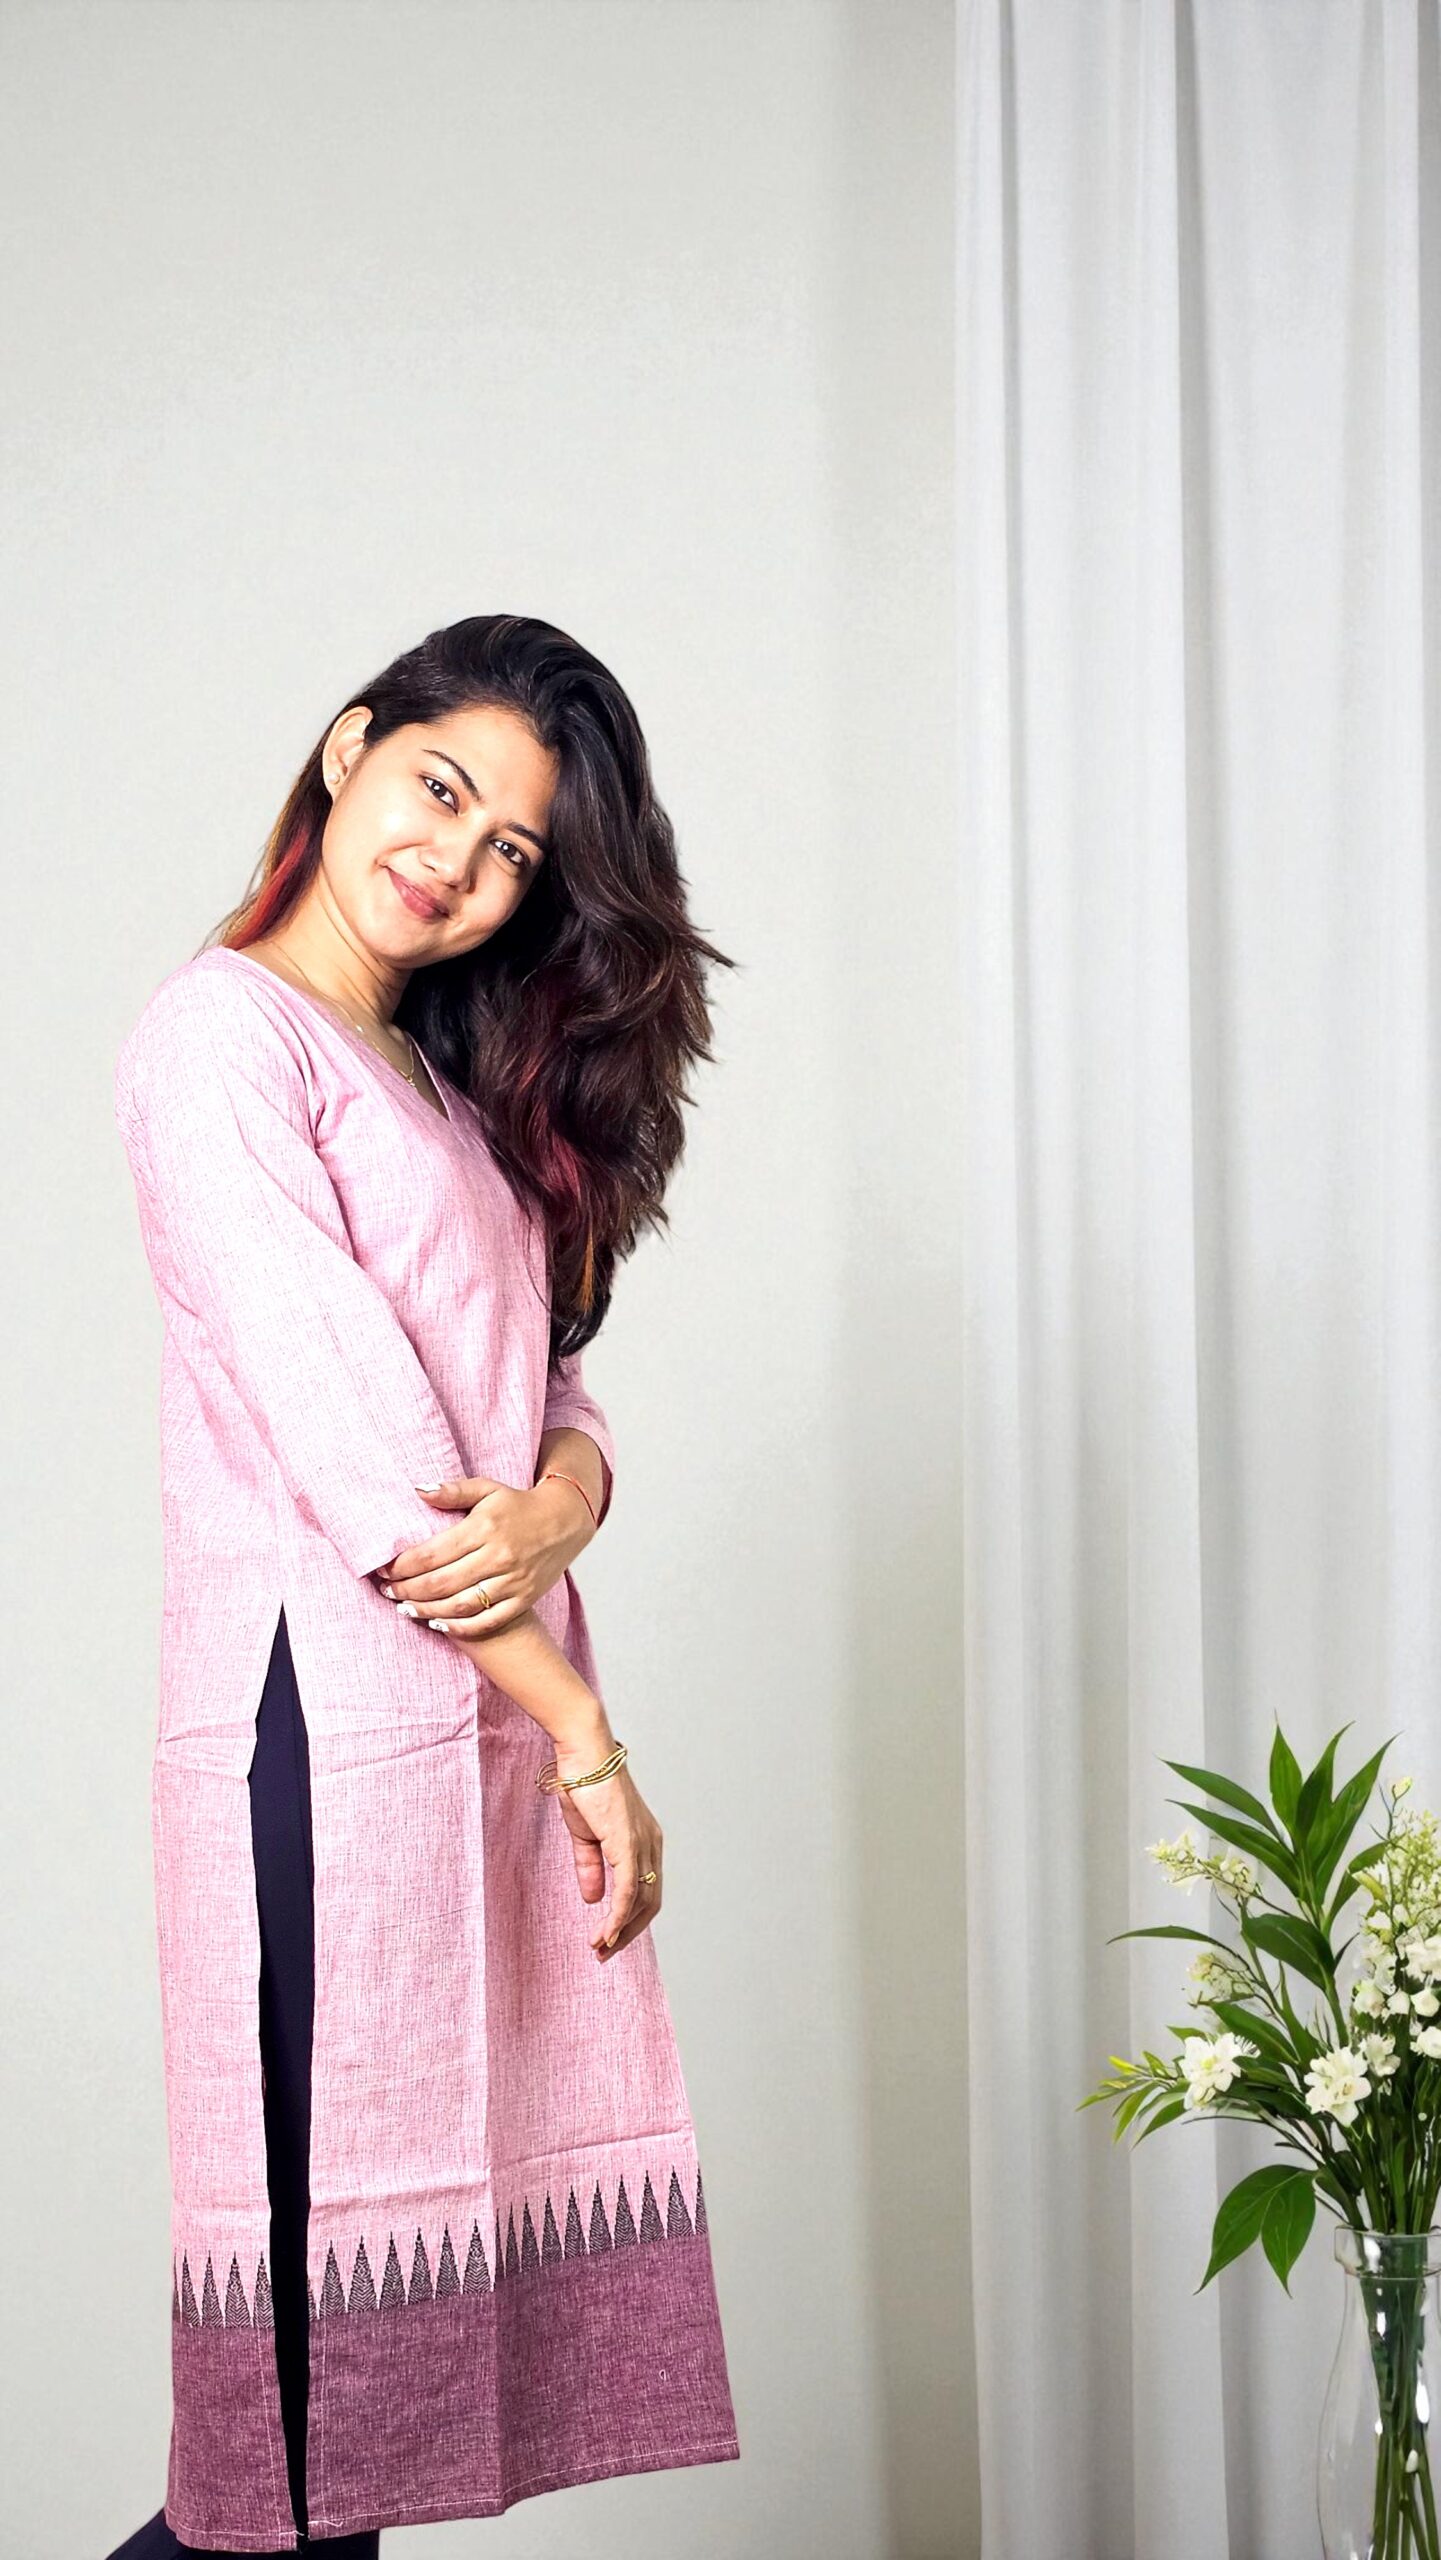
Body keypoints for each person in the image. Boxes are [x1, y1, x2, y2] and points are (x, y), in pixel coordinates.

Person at [105, 614, 741, 2556]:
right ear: (347, 745)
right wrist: (586, 1736)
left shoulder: (441, 1086)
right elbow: (374, 1467)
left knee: (354, 2448)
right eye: (438, 787)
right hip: (314, 1735)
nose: (453, 858)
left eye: (511, 849)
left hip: (454, 1725)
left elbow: (551, 1393)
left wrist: (559, 1503)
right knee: (300, 2446)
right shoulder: (220, 1037)